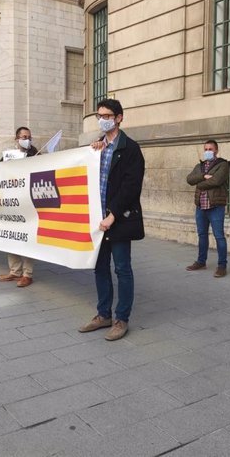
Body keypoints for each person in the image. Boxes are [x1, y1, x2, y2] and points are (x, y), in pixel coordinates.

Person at [78, 99, 145, 341]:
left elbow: (130, 187)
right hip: (97, 219)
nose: (101, 119)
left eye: (107, 115)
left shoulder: (131, 149)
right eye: (99, 115)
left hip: (118, 219)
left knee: (122, 268)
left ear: (119, 118)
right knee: (100, 267)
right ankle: (103, 314)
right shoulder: (96, 149)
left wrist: (112, 215)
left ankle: (121, 319)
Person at [0, 127, 38, 287]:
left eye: (28, 137)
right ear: (17, 139)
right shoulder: (8, 156)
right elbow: (0, 173)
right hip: (10, 202)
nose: (26, 139)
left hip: (27, 203)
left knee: (26, 238)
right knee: (11, 236)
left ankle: (28, 274)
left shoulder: (36, 155)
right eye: (23, 137)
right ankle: (14, 271)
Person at [185, 140, 229, 277]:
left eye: (210, 149)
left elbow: (217, 181)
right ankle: (201, 261)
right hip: (200, 206)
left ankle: (222, 266)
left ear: (216, 150)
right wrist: (203, 176)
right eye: (206, 149)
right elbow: (189, 179)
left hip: (215, 206)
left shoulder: (223, 164)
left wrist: (200, 184)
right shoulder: (200, 166)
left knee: (219, 236)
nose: (208, 151)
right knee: (202, 235)